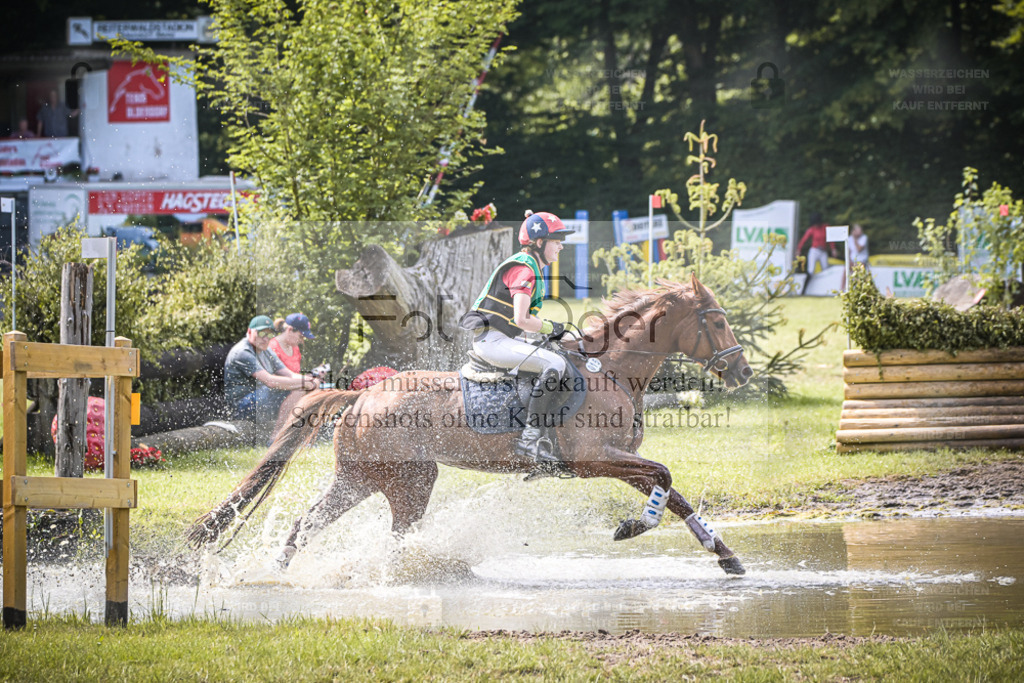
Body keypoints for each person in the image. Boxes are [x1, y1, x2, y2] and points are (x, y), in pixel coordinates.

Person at [460, 210, 574, 467]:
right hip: (492, 342)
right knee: (555, 364)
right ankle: (530, 438)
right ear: (539, 242)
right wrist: (551, 327)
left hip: (500, 338)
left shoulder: (529, 266)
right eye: (557, 241)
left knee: (560, 353)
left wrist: (554, 334)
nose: (561, 246)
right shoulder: (525, 270)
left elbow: (519, 324)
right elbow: (522, 320)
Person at [224, 315, 319, 439]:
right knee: (298, 387)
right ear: (249, 331)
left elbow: (289, 374)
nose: (265, 339)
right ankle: (277, 436)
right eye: (261, 333)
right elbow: (270, 381)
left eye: (269, 335)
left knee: (302, 388)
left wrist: (311, 380)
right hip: (240, 407)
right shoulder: (242, 352)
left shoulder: (266, 349)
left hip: (260, 398)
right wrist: (304, 383)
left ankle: (303, 434)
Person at [797, 212, 837, 288]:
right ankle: (805, 288)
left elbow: (831, 239)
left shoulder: (825, 227)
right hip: (814, 250)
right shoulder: (812, 229)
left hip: (823, 251)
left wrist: (833, 249)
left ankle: (826, 286)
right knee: (811, 270)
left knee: (825, 269)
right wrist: (799, 249)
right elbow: (804, 239)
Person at [842, 223, 869, 289]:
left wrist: (855, 239)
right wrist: (848, 261)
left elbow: (859, 249)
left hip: (862, 261)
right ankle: (842, 288)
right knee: (846, 270)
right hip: (853, 261)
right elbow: (849, 251)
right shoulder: (849, 238)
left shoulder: (864, 238)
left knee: (859, 272)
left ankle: (859, 288)